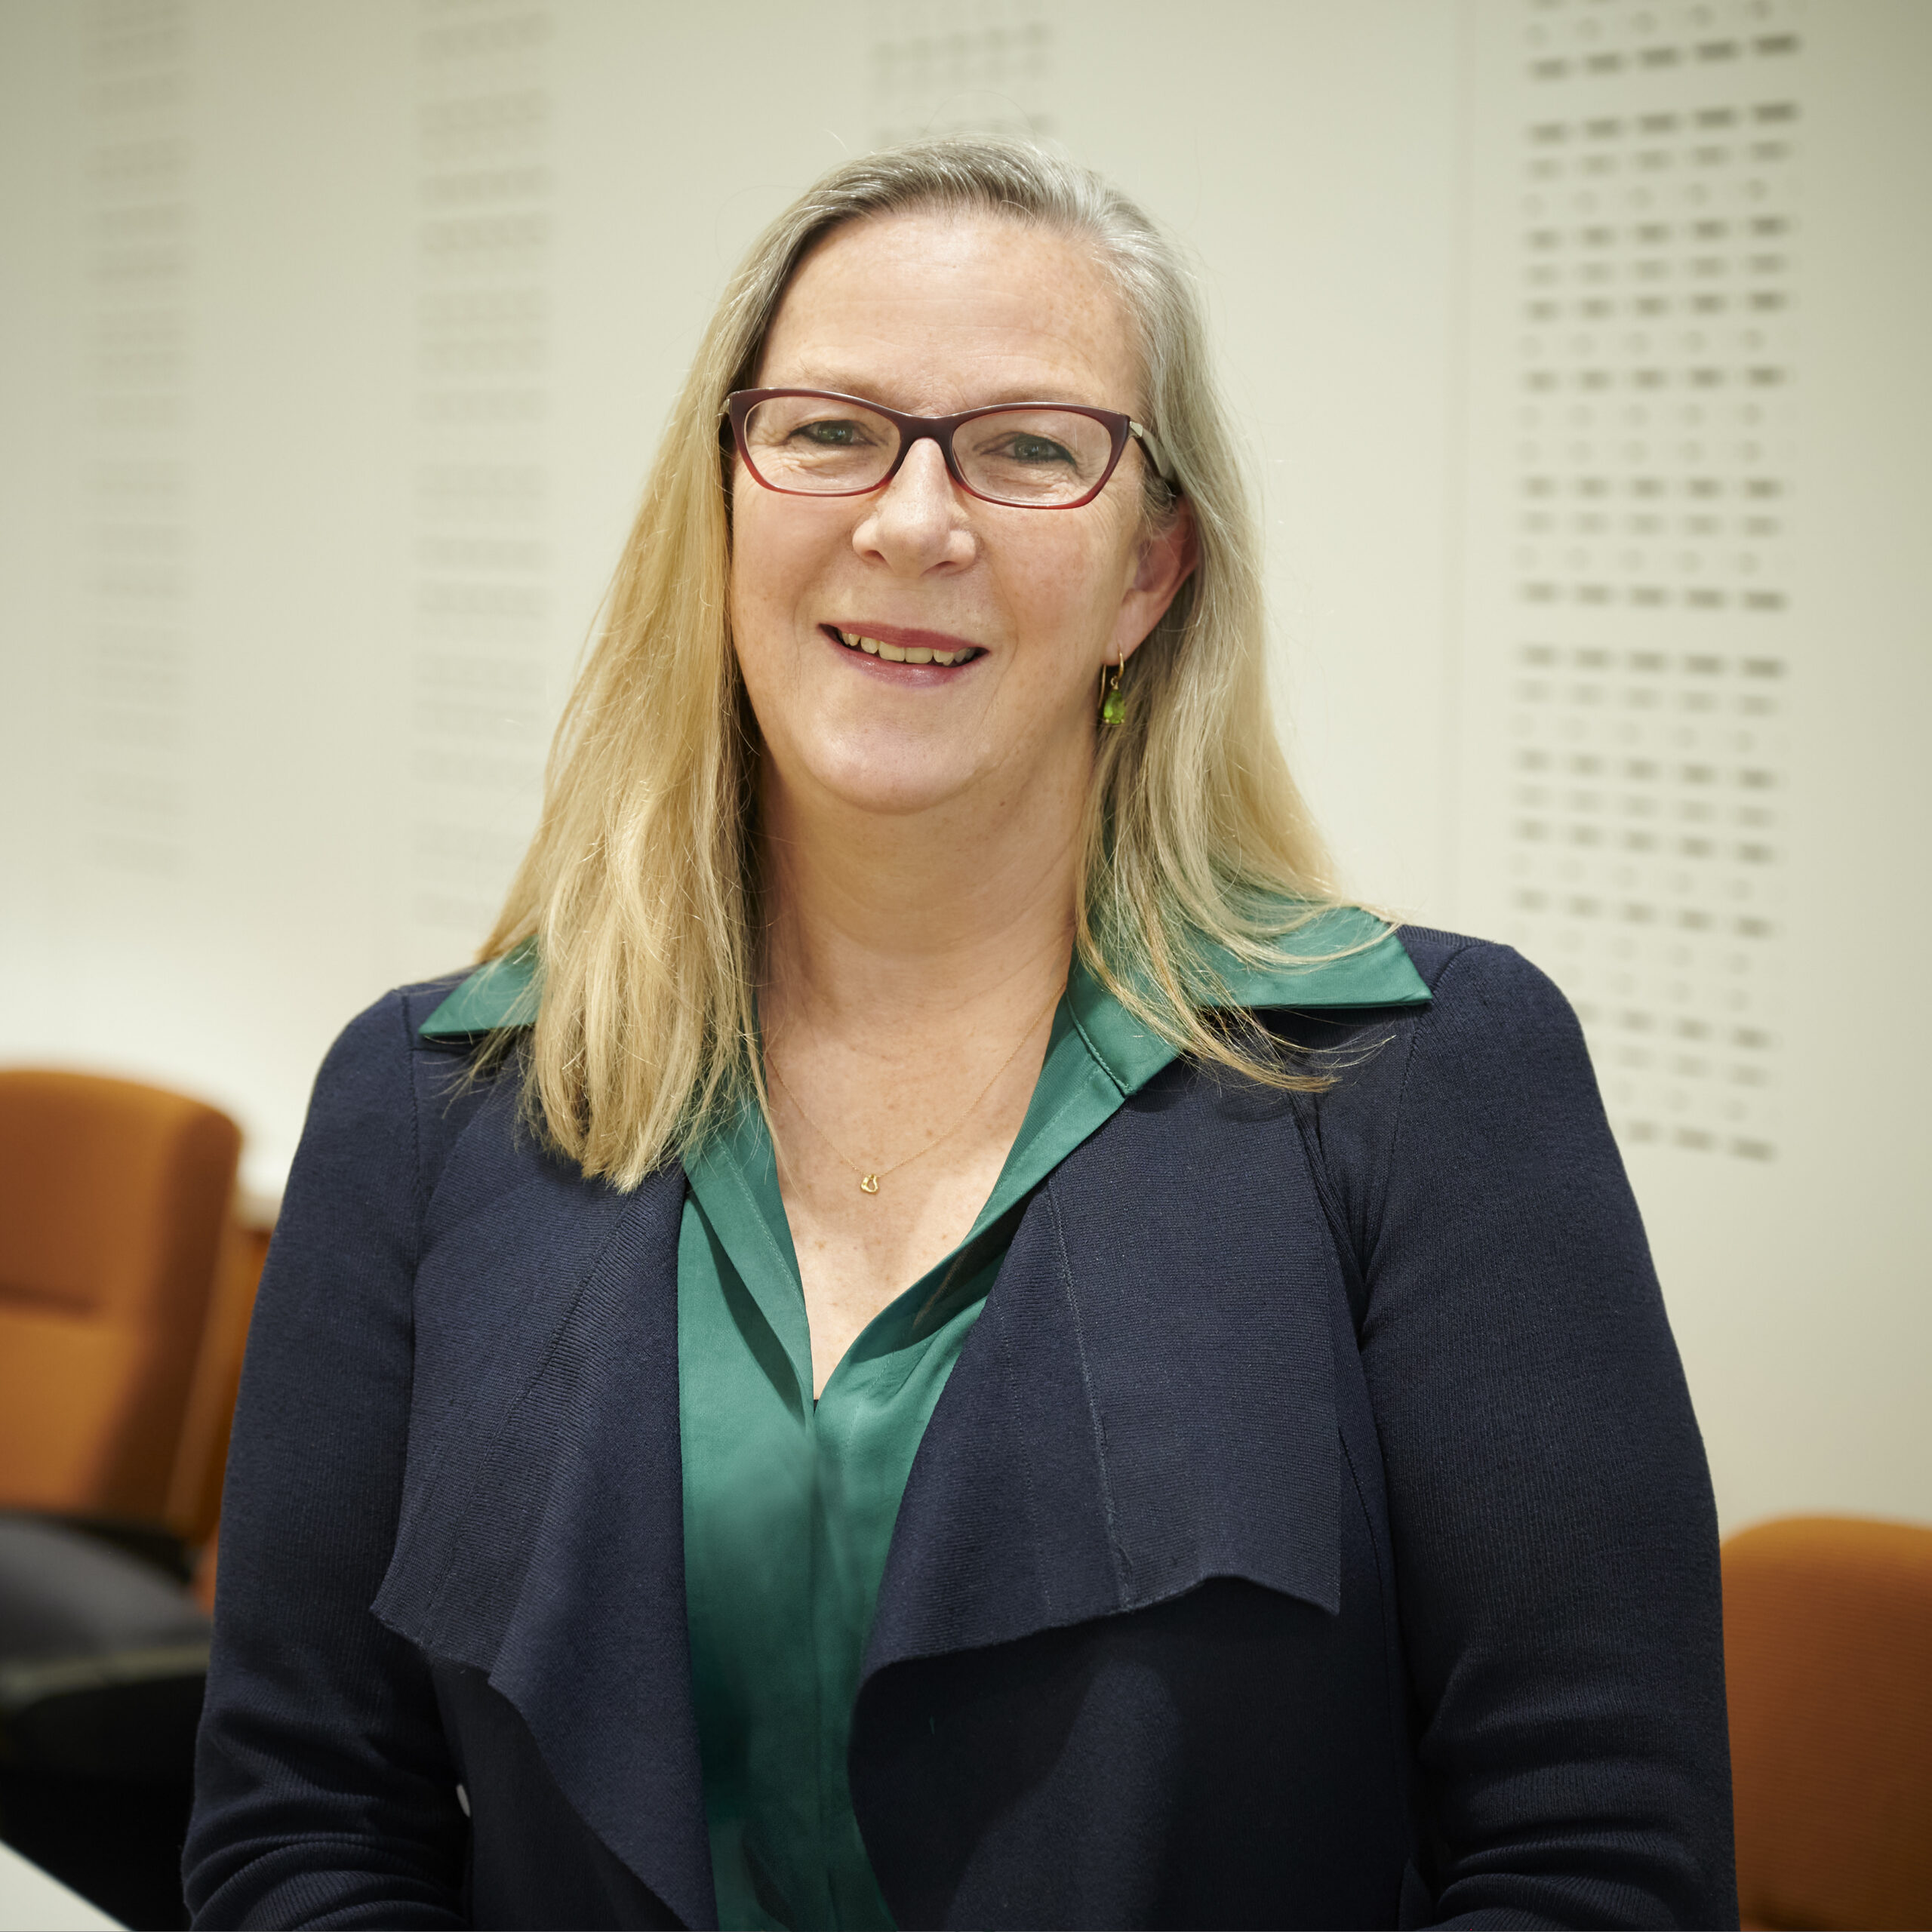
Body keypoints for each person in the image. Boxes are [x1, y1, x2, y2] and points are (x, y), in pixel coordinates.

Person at [183, 140, 1736, 1930]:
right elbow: (302, 1825)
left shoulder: (1420, 1083)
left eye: (1025, 449)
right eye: (831, 429)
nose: (912, 521)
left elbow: (1592, 1859)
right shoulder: (429, 1105)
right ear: (724, 509)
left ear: (1150, 569)